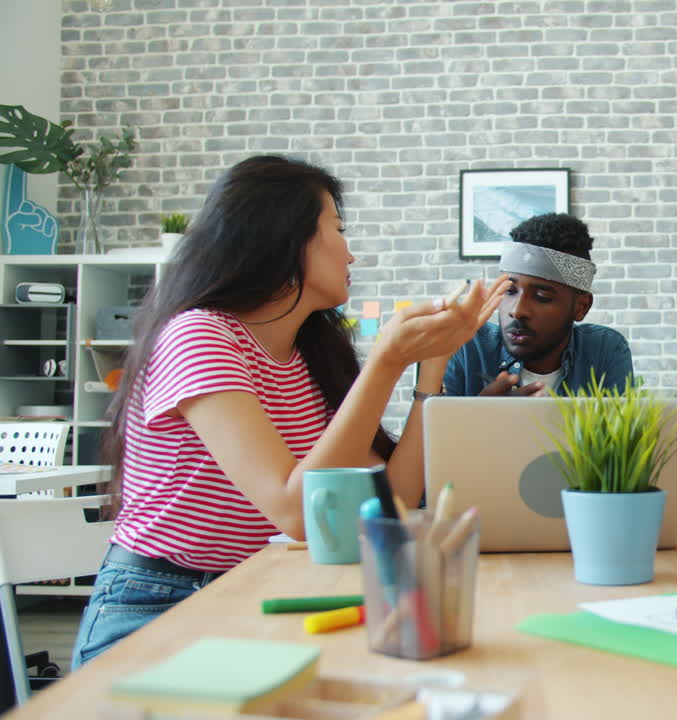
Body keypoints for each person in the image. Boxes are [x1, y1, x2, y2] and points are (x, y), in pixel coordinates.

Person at [70, 155, 509, 667]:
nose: (351, 254)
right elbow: (293, 509)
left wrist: (431, 369)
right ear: (286, 236)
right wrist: (387, 359)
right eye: (339, 230)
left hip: (259, 592)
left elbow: (391, 500)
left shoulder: (310, 355)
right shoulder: (200, 335)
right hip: (160, 601)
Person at [441, 213, 633, 397]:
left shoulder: (603, 350)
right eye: (510, 291)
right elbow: (432, 429)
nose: (517, 311)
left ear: (581, 307)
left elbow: (619, 431)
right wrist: (483, 414)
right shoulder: (468, 348)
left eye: (541, 296)